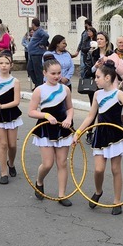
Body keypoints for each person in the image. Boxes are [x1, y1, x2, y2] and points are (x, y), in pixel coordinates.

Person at [74, 63, 123, 215]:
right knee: (98, 169)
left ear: (108, 78)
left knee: (115, 169)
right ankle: (98, 191)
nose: (95, 79)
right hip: (100, 134)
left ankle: (117, 201)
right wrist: (78, 132)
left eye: (98, 77)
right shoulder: (97, 94)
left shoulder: (119, 94)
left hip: (116, 135)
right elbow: (90, 116)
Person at [27, 57, 76, 205]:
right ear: (45, 73)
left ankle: (62, 195)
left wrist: (69, 119)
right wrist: (46, 115)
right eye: (53, 73)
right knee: (48, 163)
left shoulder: (65, 89)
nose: (56, 76)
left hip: (63, 129)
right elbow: (31, 111)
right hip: (46, 129)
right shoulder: (39, 90)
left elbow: (70, 108)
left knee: (62, 163)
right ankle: (39, 181)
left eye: (59, 73)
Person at [0, 52, 22, 184]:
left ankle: (11, 163)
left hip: (11, 114)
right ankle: (4, 173)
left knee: (12, 145)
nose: (4, 66)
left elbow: (16, 101)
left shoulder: (15, 81)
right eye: (1, 63)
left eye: (7, 63)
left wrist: (2, 106)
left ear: (11, 65)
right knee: (3, 144)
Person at [25, 17, 50, 89]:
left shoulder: (39, 30)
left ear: (33, 24)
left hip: (38, 54)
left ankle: (39, 86)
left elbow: (46, 36)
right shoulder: (36, 32)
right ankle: (37, 83)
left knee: (38, 71)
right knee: (30, 69)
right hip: (33, 54)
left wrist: (41, 43)